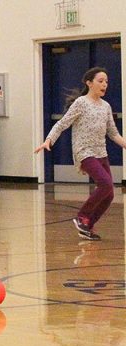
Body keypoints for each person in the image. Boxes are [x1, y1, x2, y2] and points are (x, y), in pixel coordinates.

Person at [35, 67, 125, 241]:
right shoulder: (81, 103)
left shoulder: (106, 106)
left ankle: (87, 226)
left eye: (106, 81)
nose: (104, 84)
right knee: (105, 184)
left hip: (101, 153)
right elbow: (62, 124)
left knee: (110, 193)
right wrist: (48, 140)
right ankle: (82, 216)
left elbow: (113, 133)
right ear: (89, 83)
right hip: (84, 152)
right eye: (100, 81)